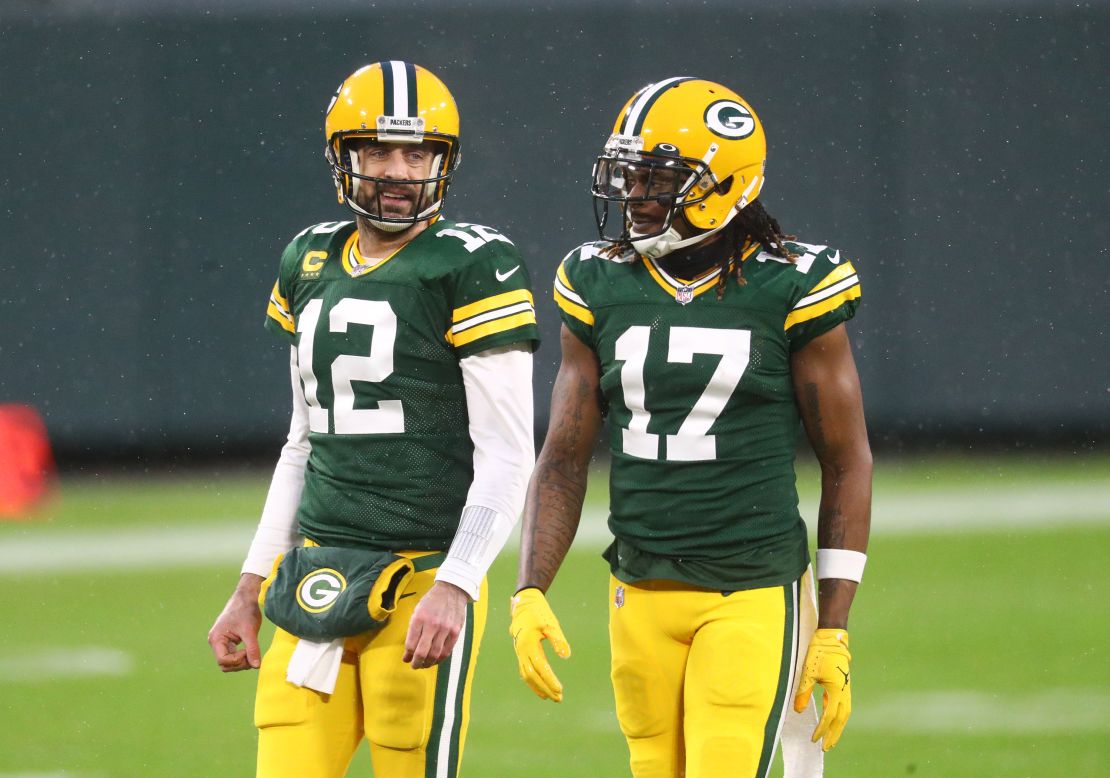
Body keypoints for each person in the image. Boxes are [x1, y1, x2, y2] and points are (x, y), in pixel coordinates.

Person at [508, 77, 872, 778]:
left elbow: (846, 461)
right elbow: (563, 456)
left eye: (660, 178)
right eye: (629, 175)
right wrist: (530, 588)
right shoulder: (596, 279)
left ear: (726, 185)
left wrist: (833, 626)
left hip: (751, 589)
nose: (636, 196)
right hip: (637, 589)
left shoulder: (790, 284)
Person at [207, 61, 538, 778]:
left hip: (422, 580)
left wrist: (458, 583)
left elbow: (510, 454)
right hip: (312, 576)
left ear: (442, 161)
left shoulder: (473, 264)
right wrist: (248, 586)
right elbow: (303, 442)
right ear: (342, 158)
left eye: (417, 152)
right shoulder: (310, 256)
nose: (397, 170)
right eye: (378, 150)